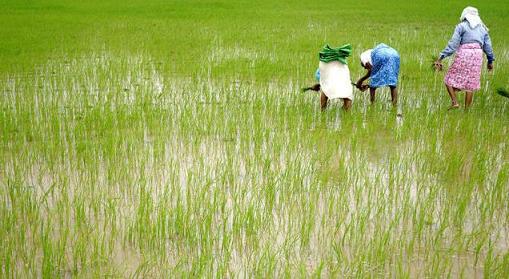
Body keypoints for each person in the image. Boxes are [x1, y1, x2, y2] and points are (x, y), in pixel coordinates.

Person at [434, 6, 494, 110]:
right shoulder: (483, 29)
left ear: (465, 16)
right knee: (470, 85)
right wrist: (490, 61)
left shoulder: (461, 26)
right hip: (478, 56)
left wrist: (441, 57)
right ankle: (467, 111)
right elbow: (488, 47)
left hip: (464, 53)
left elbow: (453, 44)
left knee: (449, 79)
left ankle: (455, 102)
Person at [318, 44, 354, 111]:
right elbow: (345, 77)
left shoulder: (323, 63)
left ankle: (322, 110)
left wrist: (319, 85)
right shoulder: (342, 62)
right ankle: (347, 113)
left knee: (325, 89)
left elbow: (322, 78)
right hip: (342, 77)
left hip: (327, 74)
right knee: (347, 94)